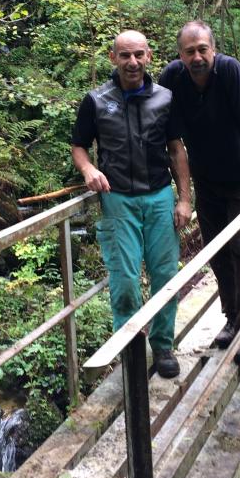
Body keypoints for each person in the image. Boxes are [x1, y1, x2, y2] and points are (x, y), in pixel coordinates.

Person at [159, 20, 240, 362]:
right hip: (207, 180)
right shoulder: (173, 79)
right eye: (190, 51)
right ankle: (233, 318)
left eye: (203, 49)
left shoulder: (229, 71)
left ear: (213, 49)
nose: (198, 56)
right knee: (219, 252)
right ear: (180, 55)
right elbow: (161, 129)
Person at [71, 30, 192, 379]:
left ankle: (163, 345)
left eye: (139, 55)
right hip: (118, 199)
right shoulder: (96, 100)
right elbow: (79, 145)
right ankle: (129, 346)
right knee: (124, 278)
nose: (132, 62)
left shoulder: (165, 99)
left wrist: (184, 199)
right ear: (113, 59)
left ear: (149, 57)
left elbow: (176, 150)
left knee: (165, 274)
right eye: (125, 56)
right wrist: (88, 168)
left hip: (158, 196)